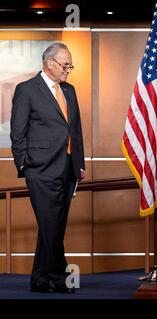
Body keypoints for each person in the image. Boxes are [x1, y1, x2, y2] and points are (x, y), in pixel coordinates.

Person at [10, 42, 85, 293]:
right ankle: (58, 276)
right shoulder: (27, 90)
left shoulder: (70, 90)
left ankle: (40, 279)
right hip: (40, 169)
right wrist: (23, 163)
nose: (68, 70)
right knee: (51, 222)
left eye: (70, 65)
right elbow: (17, 133)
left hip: (67, 168)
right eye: (66, 65)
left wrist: (79, 164)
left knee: (53, 224)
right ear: (49, 63)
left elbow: (75, 129)